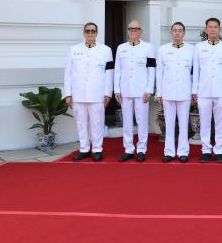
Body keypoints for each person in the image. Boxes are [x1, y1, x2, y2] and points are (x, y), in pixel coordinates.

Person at [64, 22, 113, 161]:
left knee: (97, 123)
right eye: (87, 31)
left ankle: (97, 149)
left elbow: (109, 73)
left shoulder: (106, 50)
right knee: (81, 123)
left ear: (97, 33)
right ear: (84, 33)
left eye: (93, 31)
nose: (90, 33)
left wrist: (108, 93)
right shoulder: (73, 50)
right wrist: (68, 93)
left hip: (97, 94)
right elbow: (68, 73)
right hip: (78, 94)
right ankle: (84, 148)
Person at [114, 20, 155, 162]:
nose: (133, 31)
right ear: (127, 31)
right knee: (126, 122)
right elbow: (117, 70)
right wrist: (116, 89)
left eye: (136, 29)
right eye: (131, 29)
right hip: (125, 90)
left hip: (141, 91)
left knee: (142, 121)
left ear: (141, 31)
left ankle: (142, 149)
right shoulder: (121, 48)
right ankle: (128, 149)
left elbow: (151, 70)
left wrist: (149, 90)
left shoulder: (148, 48)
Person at [192, 17, 222, 163]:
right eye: (210, 27)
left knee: (220, 122)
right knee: (204, 122)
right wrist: (194, 91)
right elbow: (195, 70)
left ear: (219, 29)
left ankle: (219, 150)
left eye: (215, 27)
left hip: (221, 91)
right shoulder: (199, 47)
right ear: (206, 29)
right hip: (203, 91)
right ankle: (206, 150)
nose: (213, 29)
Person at [157, 22, 194, 163]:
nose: (177, 33)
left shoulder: (191, 49)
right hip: (168, 91)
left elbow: (194, 72)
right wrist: (159, 93)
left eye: (180, 31)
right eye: (175, 31)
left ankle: (183, 151)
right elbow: (159, 72)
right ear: (171, 33)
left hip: (185, 91)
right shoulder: (163, 50)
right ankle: (169, 151)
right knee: (169, 122)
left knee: (184, 123)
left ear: (184, 33)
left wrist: (193, 91)